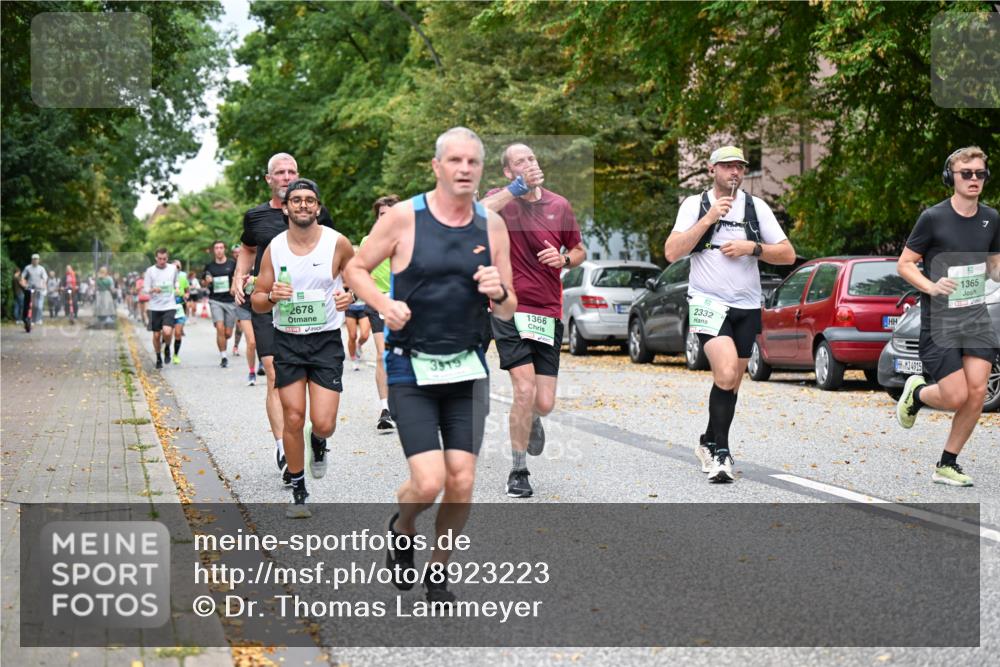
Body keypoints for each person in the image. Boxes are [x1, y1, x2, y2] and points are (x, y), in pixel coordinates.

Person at [345, 127, 517, 604]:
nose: (464, 169)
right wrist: (384, 304)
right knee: (428, 481)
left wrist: (499, 291)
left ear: (481, 169)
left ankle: (438, 570)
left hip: (467, 368)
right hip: (411, 368)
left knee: (461, 480)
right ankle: (402, 528)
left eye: (473, 162)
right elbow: (355, 269)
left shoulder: (492, 226)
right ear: (437, 166)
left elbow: (508, 308)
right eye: (455, 160)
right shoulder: (404, 217)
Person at [665, 145, 796, 483]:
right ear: (712, 170)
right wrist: (709, 219)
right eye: (727, 166)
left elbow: (787, 254)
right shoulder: (694, 205)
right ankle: (721, 454)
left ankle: (708, 441)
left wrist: (752, 248)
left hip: (747, 305)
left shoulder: (756, 207)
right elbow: (672, 252)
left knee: (732, 382)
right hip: (707, 302)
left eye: (739, 166)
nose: (734, 172)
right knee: (724, 373)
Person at [481, 143, 587, 498]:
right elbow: (478, 214)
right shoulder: (500, 200)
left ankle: (534, 417)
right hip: (508, 309)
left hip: (547, 311)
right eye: (520, 161)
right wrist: (516, 189)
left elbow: (579, 249)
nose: (529, 163)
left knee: (543, 402)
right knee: (523, 390)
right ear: (508, 172)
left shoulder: (559, 205)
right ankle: (518, 470)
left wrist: (564, 260)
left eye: (532, 158)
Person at [895, 146, 1000, 487]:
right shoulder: (933, 218)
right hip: (940, 320)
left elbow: (994, 269)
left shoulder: (992, 218)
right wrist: (931, 285)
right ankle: (917, 393)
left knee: (978, 391)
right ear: (950, 177)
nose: (974, 179)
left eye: (980, 173)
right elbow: (905, 264)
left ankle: (947, 463)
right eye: (966, 173)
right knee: (955, 396)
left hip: (976, 317)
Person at [251, 179, 354, 517]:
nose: (304, 205)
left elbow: (356, 279)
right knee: (293, 417)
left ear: (318, 207)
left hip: (325, 341)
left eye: (310, 200)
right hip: (288, 340)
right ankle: (298, 490)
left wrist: (349, 295)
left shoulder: (337, 243)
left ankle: (319, 441)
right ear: (286, 208)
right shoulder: (275, 248)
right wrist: (270, 296)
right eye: (296, 200)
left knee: (323, 423)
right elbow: (257, 300)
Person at [231, 153, 335, 483]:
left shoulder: (315, 211)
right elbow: (248, 249)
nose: (287, 177)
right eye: (280, 172)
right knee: (274, 372)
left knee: (317, 399)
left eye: (292, 171)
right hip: (270, 302)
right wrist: (239, 275)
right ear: (269, 179)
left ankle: (317, 436)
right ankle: (283, 449)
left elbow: (334, 251)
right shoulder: (256, 217)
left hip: (311, 307)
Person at [360, 194, 400, 433]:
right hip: (378, 302)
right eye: (382, 215)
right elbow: (360, 270)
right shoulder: (369, 241)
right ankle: (385, 409)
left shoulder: (412, 238)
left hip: (407, 303)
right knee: (382, 355)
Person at [202, 240, 238, 368]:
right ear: (214, 250)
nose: (219, 250)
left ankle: (223, 339)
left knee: (227, 333)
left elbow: (238, 277)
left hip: (230, 301)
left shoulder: (232, 264)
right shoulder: (209, 266)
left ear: (224, 249)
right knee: (219, 328)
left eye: (221, 247)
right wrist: (207, 281)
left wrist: (234, 286)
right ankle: (223, 357)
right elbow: (203, 283)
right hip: (215, 301)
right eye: (216, 248)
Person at [143, 248, 178, 369]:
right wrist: (153, 289)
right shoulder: (150, 271)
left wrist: (177, 288)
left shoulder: (173, 269)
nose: (162, 261)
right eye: (160, 259)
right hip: (155, 307)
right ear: (156, 258)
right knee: (157, 335)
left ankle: (167, 347)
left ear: (167, 258)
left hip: (169, 305)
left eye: (164, 259)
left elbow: (176, 282)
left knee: (167, 332)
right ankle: (158, 357)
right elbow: (146, 289)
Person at [343, 276, 371, 371]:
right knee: (352, 336)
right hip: (350, 308)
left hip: (364, 307)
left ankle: (358, 346)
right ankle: (354, 359)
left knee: (365, 335)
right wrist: (350, 284)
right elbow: (339, 283)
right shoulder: (347, 270)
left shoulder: (368, 270)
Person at [171, 260, 189, 364]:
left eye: (178, 267)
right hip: (167, 307)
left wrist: (186, 295)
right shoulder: (165, 278)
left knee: (178, 333)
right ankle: (166, 346)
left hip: (180, 306)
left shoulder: (183, 277)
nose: (176, 268)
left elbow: (187, 290)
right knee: (167, 333)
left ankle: (176, 355)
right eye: (174, 267)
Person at [22, 253, 47, 325]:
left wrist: (43, 285)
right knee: (27, 304)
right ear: (32, 260)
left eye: (36, 259)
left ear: (39, 260)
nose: (35, 260)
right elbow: (23, 277)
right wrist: (24, 284)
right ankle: (26, 319)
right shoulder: (27, 268)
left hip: (38, 289)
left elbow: (44, 278)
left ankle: (36, 319)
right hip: (29, 288)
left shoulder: (41, 269)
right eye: (34, 259)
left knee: (37, 305)